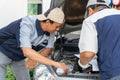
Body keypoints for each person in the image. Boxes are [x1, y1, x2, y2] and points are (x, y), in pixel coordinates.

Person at [0, 7, 68, 80]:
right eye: (57, 26)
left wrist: (34, 60)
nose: (58, 29)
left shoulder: (51, 31)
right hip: (2, 51)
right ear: (48, 22)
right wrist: (55, 64)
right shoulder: (27, 24)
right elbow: (27, 51)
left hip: (18, 57)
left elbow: (49, 49)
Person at [78, 0, 120, 80]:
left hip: (114, 73)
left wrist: (82, 64)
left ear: (90, 11)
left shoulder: (91, 20)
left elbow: (87, 55)